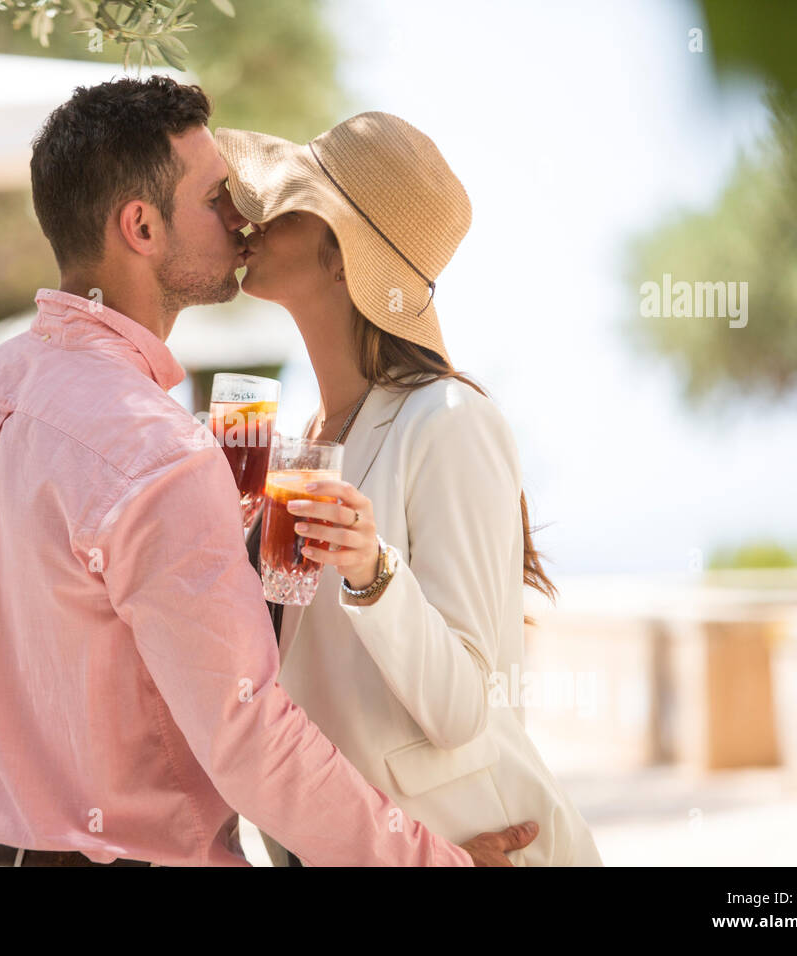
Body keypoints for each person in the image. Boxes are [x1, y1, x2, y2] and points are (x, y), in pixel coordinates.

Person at [0, 76, 537, 866]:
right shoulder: (157, 452)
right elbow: (246, 732)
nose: (243, 213)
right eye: (216, 198)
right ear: (140, 225)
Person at [218, 111, 603, 866]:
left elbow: (466, 708)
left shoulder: (449, 420)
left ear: (341, 257)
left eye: (288, 202)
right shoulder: (311, 434)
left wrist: (373, 570)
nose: (255, 216)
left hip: (466, 845)